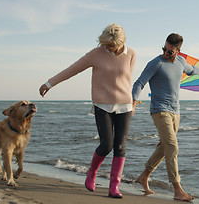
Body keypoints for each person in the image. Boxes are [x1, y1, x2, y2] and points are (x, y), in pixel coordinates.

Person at [38, 24, 136, 198]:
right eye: (106, 45)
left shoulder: (132, 54)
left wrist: (133, 102)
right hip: (102, 105)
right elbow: (72, 69)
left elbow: (127, 80)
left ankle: (114, 187)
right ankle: (92, 172)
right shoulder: (95, 54)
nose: (109, 48)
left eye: (112, 45)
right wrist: (49, 83)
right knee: (107, 145)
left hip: (124, 106)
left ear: (123, 41)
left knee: (120, 146)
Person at [132, 33, 199, 201]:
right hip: (159, 110)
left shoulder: (182, 62)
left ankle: (143, 176)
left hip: (175, 111)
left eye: (170, 51)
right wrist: (133, 103)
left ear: (178, 50)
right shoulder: (155, 63)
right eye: (165, 49)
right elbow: (139, 83)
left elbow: (192, 70)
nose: (166, 53)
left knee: (164, 147)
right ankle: (177, 189)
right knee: (172, 146)